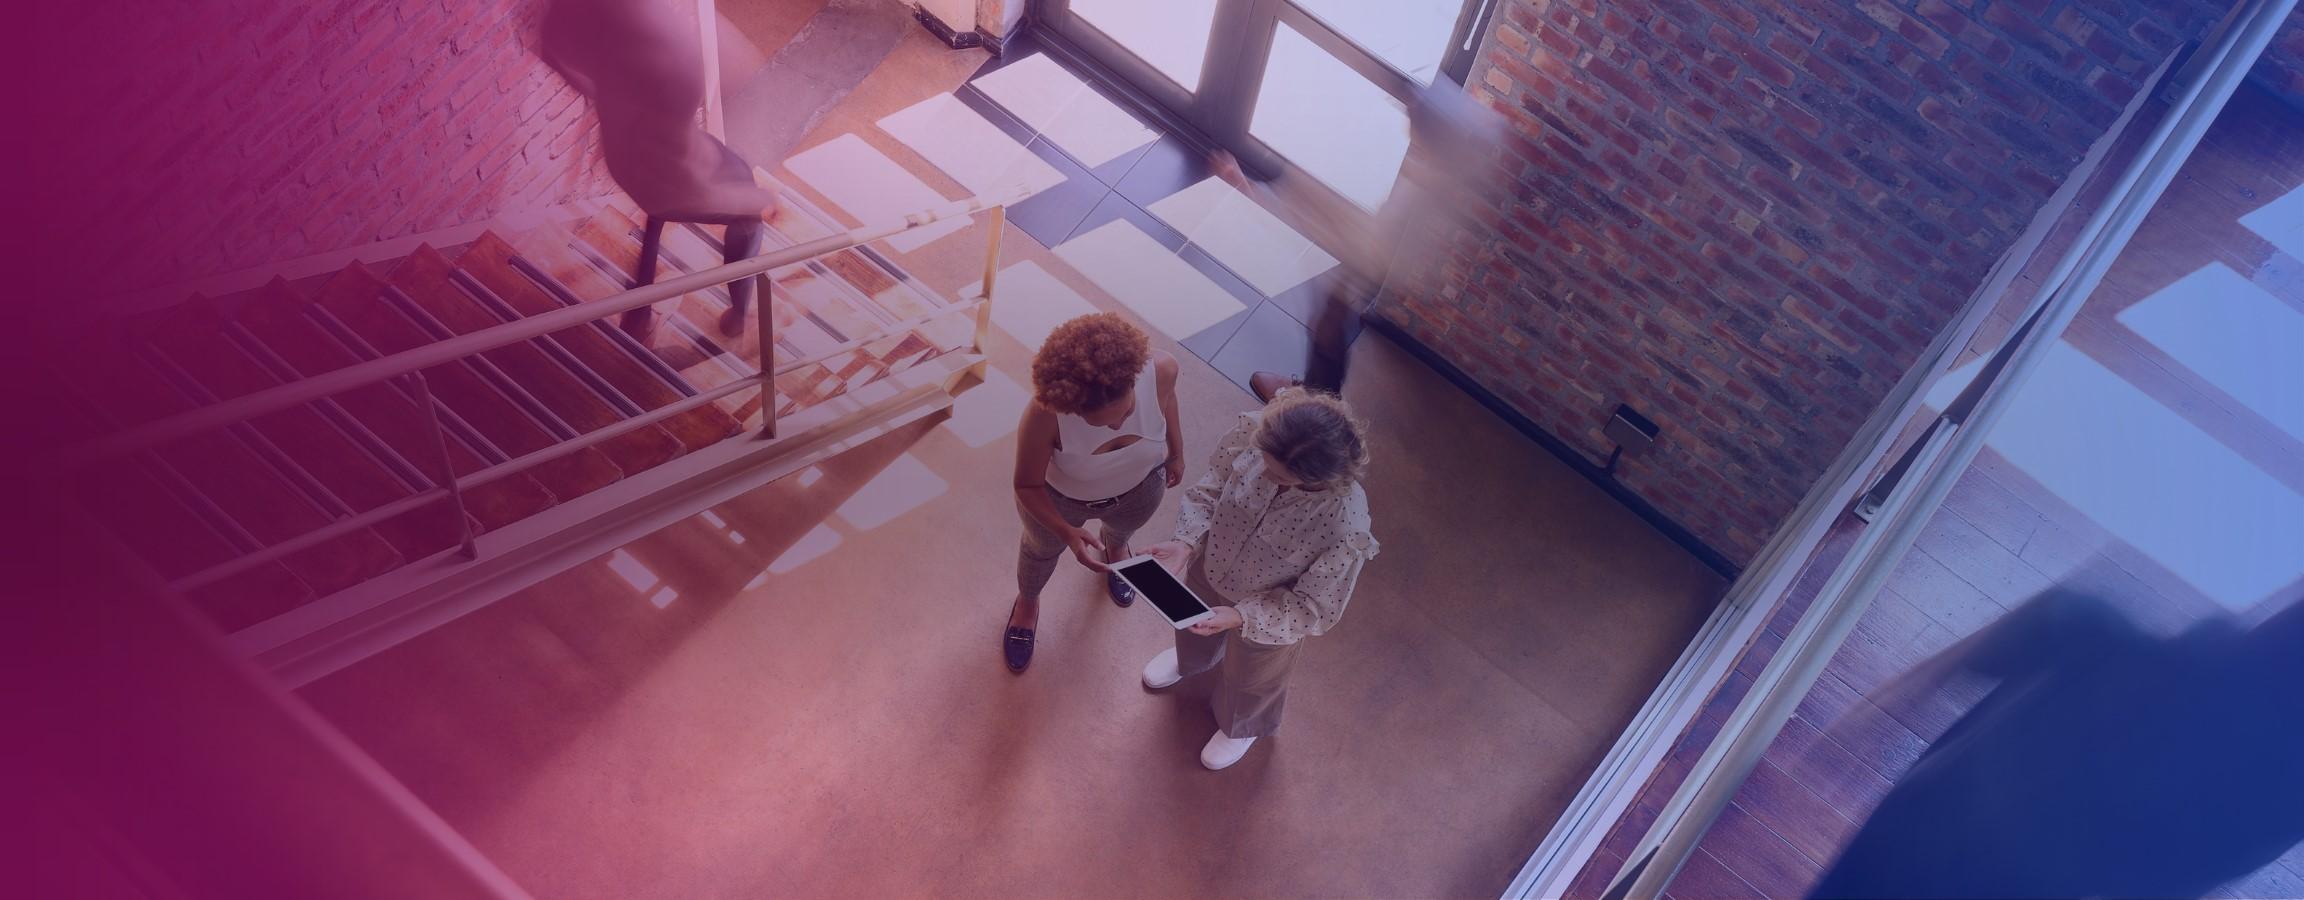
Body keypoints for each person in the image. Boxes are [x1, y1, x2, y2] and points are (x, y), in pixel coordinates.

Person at [1809, 588, 2304, 898]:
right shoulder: (2273, 810)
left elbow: (2049, 621)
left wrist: (1911, 692)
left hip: (1921, 843)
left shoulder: (2113, 649)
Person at [1209, 74, 1509, 403]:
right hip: (1371, 254)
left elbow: (1326, 225)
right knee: (1327, 323)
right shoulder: (1437, 165)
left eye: (1414, 113)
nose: (1407, 112)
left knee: (1328, 327)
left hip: (1367, 257)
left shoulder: (1403, 199)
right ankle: (1315, 395)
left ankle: (1313, 405)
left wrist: (1248, 190)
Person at [1139, 387, 1379, 770]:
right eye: (1263, 462)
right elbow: (1212, 488)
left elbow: (1311, 607)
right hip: (1212, 565)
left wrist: (1242, 617)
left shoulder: (1344, 526)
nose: (1263, 473)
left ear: (1315, 480)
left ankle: (1242, 726)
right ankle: (1191, 662)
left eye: (1277, 474)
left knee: (1253, 675)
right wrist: (1186, 541)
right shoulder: (1256, 435)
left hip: (1271, 611)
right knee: (1191, 624)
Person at [539, 0, 778, 341]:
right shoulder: (674, 69)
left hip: (625, 166)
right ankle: (738, 314)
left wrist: (608, 103)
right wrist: (753, 201)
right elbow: (692, 187)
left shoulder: (574, 18)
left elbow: (552, 53)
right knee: (745, 219)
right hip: (673, 184)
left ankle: (638, 311)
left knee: (657, 211)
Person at [1005, 314, 1186, 673]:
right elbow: (1026, 484)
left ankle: (1116, 549)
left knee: (1123, 530)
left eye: (1127, 412)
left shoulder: (1162, 369)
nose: (1118, 425)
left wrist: (1177, 452)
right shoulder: (1046, 415)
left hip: (1140, 485)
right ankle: (1028, 602)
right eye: (1100, 424)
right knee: (1040, 552)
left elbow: (1168, 402)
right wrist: (1065, 531)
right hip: (1061, 501)